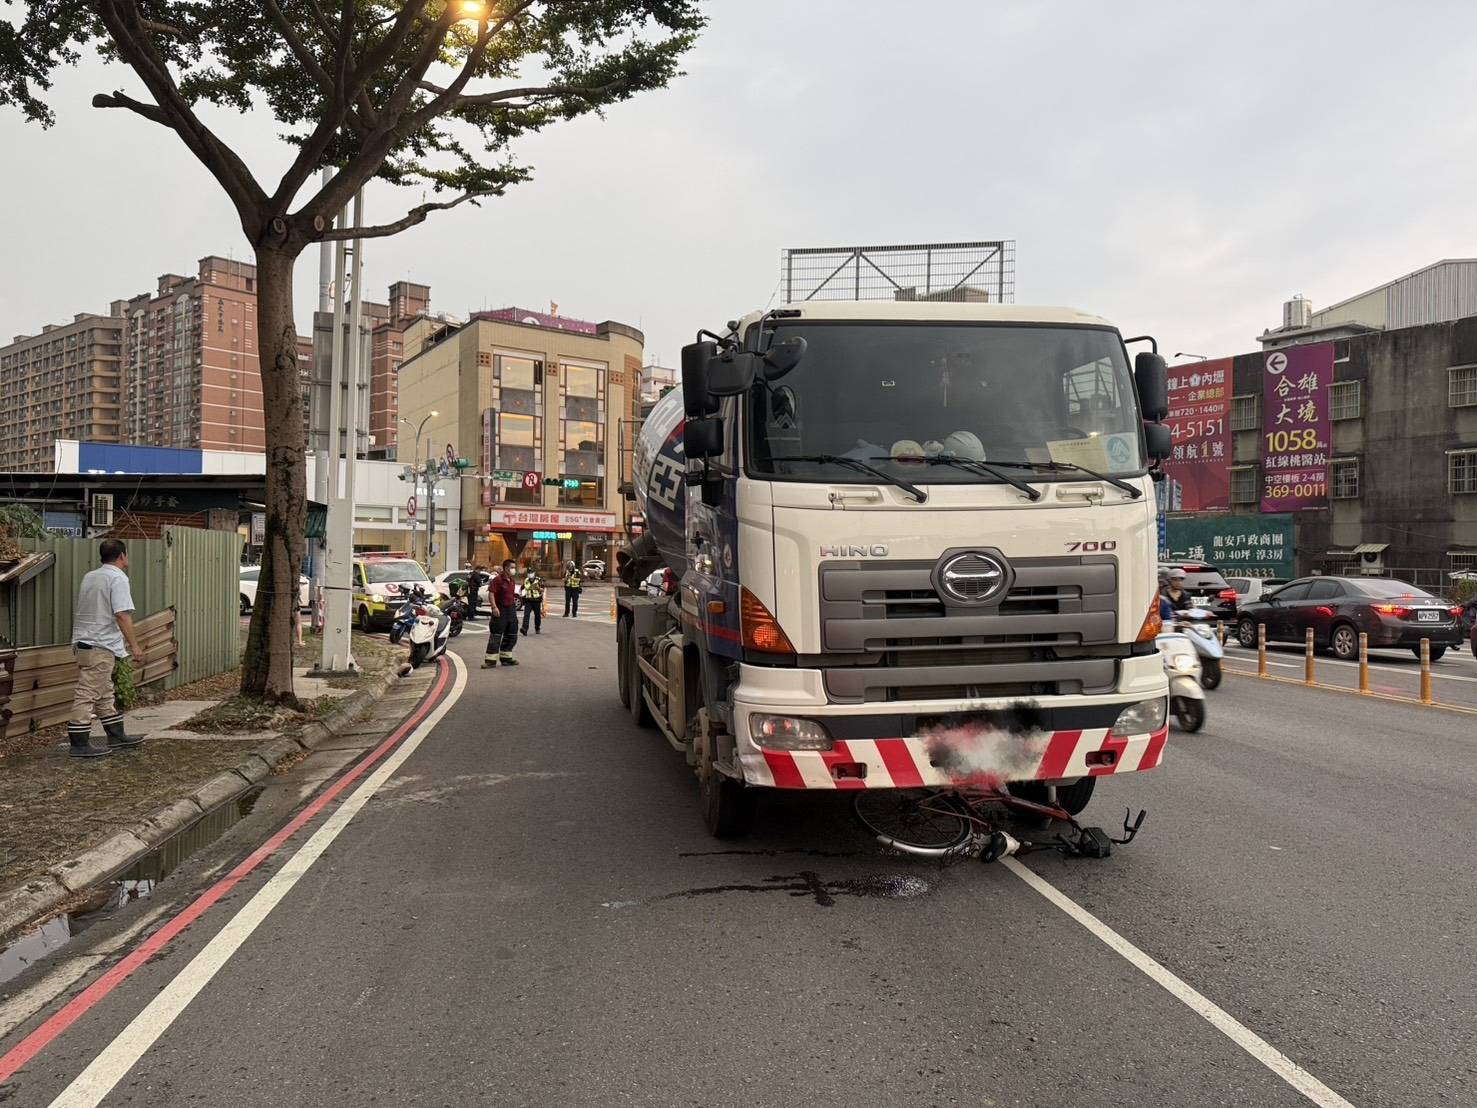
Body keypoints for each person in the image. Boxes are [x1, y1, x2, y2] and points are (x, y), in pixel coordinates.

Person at [68, 538, 145, 758]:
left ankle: (116, 734)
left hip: (84, 641)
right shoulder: (117, 578)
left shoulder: (90, 576)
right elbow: (121, 614)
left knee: (104, 691)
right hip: (100, 643)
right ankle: (79, 742)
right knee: (88, 692)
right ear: (122, 556)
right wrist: (135, 646)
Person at [483, 559, 520, 668]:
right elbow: (491, 594)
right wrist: (494, 607)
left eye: (514, 567)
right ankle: (490, 661)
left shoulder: (512, 580)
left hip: (511, 610)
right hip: (500, 610)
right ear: (506, 568)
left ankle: (506, 658)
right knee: (496, 635)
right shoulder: (498, 580)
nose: (514, 569)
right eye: (512, 567)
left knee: (512, 634)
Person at [520, 565, 545, 636]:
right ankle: (524, 629)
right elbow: (522, 588)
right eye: (529, 572)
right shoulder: (526, 580)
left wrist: (540, 589)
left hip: (536, 601)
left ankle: (537, 628)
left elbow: (543, 588)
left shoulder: (539, 580)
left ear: (534, 573)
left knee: (537, 616)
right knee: (526, 615)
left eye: (531, 572)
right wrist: (521, 595)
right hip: (528, 601)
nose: (530, 573)